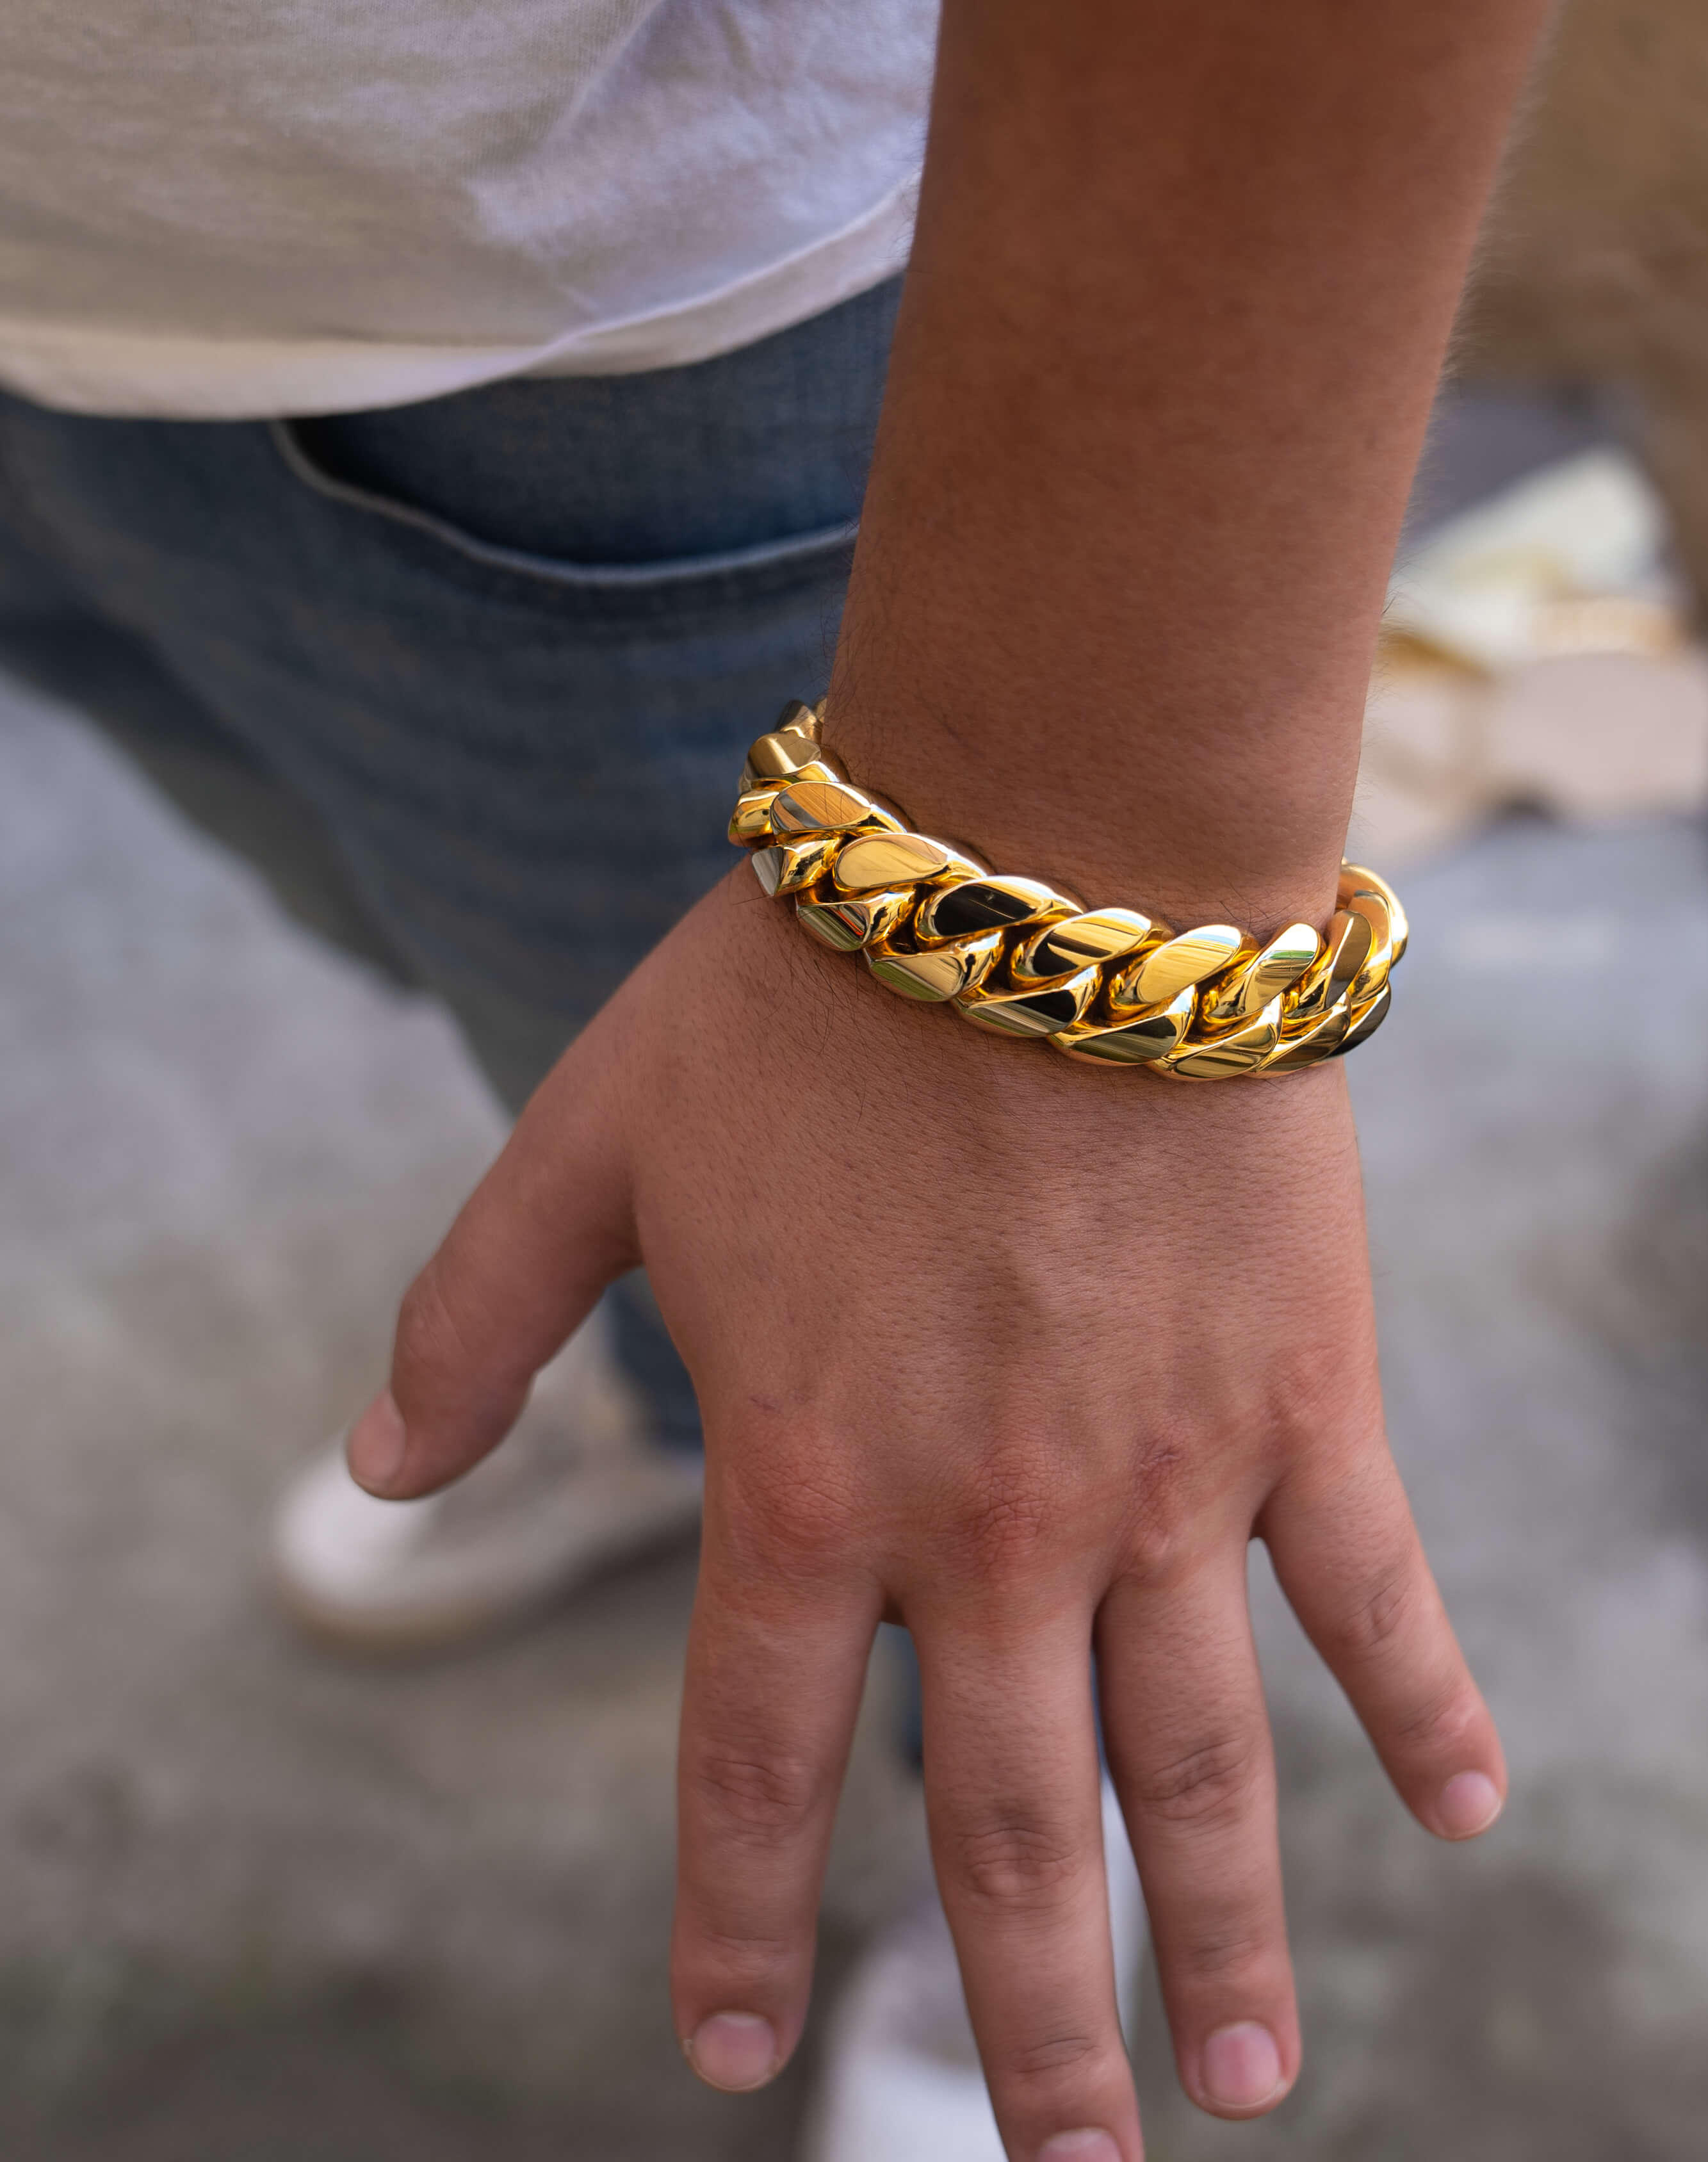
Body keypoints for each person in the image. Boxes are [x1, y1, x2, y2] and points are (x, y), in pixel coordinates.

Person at [0, 2, 1550, 2156]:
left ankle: (997, 1808)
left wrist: (1094, 838)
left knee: (967, 1383)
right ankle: (675, 1392)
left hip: (604, 322)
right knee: (496, 992)